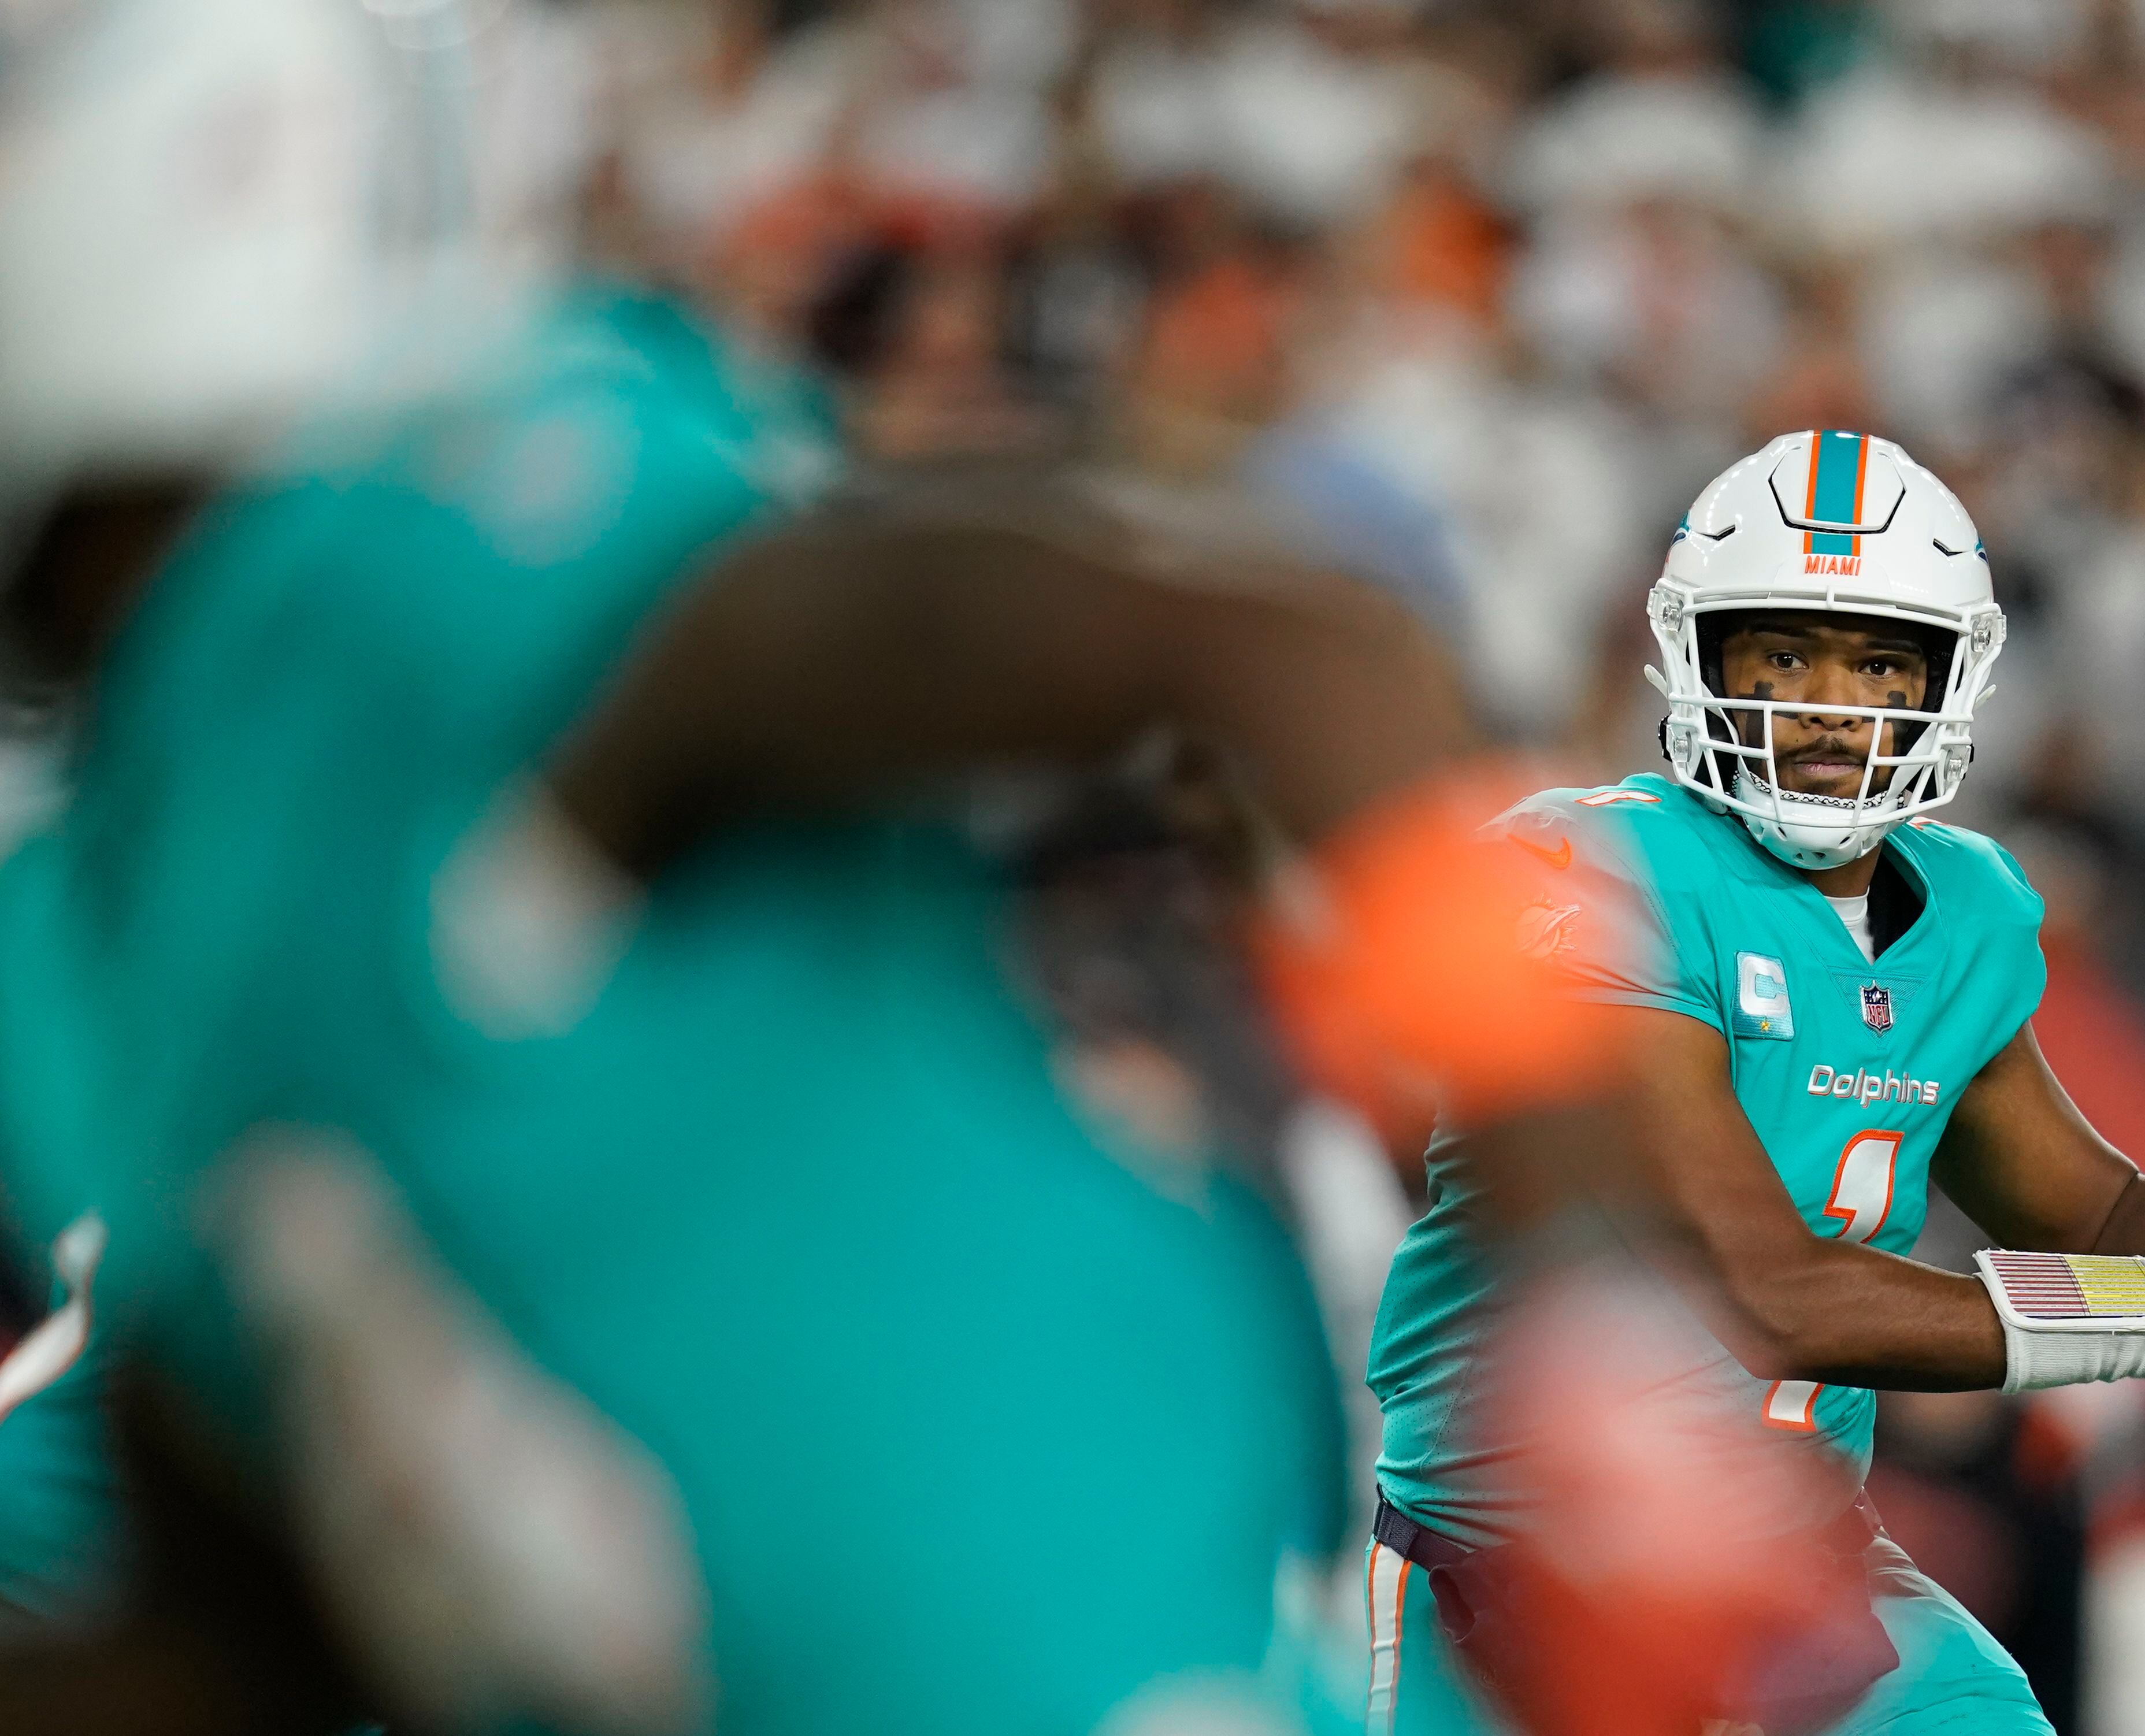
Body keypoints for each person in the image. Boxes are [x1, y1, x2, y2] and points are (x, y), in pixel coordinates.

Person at [0, 2, 1580, 1730]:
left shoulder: (378, 626)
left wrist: (1586, 1311)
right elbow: (239, 1604)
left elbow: (1291, 662)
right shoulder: (157, 882)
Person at [1361, 429, 2145, 1736]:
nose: (1830, 700)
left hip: (1799, 1566)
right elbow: (1774, 1290)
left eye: (1879, 659)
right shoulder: (1591, 874)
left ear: (1948, 680)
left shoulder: (1965, 913)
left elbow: (2096, 1207)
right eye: (1785, 654)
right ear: (1700, 656)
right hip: (1519, 1577)